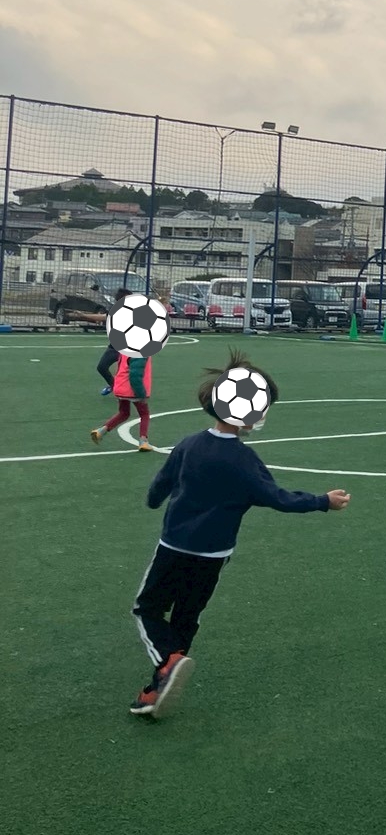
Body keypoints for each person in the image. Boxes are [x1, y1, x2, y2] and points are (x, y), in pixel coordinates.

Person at [128, 353, 350, 718]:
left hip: (174, 546)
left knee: (147, 608)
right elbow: (278, 498)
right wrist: (322, 501)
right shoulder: (246, 461)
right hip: (214, 555)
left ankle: (166, 664)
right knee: (187, 615)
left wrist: (153, 501)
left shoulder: (188, 445)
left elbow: (161, 485)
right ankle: (160, 684)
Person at [91, 346, 156, 453]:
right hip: (132, 390)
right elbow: (135, 375)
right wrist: (141, 394)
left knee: (123, 413)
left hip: (120, 387)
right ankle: (143, 441)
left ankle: (100, 431)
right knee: (144, 414)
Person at [91, 287, 127, 394]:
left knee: (127, 371)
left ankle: (129, 391)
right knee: (101, 367)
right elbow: (104, 317)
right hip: (114, 346)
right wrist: (83, 316)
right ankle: (113, 385)